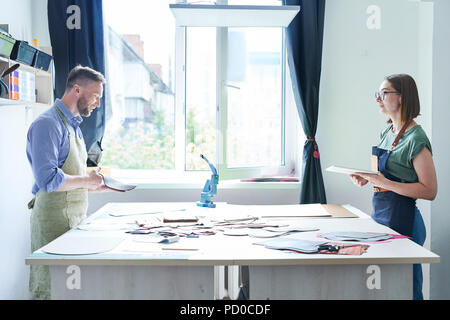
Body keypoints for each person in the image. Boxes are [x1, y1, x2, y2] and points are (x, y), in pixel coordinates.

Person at [26, 65, 122, 299]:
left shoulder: (73, 125)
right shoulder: (47, 124)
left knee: (72, 291)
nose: (98, 103)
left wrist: (90, 184)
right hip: (54, 223)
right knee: (53, 290)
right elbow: (48, 179)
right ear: (77, 89)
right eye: (96, 96)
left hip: (73, 221)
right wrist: (85, 180)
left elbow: (69, 176)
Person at [349, 74, 437, 300]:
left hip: (404, 220)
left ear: (401, 97)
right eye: (377, 94)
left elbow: (429, 190)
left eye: (383, 93)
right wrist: (368, 178)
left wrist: (385, 183)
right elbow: (387, 175)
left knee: (407, 289)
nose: (378, 99)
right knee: (386, 288)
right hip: (382, 216)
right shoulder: (387, 132)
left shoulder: (416, 138)